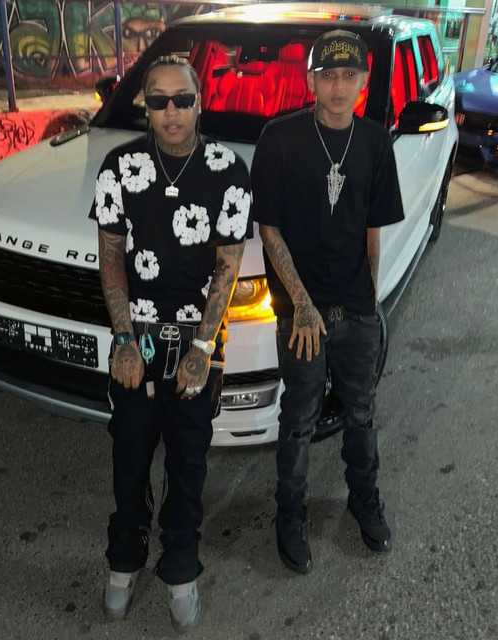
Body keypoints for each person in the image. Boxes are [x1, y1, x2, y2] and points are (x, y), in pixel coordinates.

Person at [92, 55, 251, 630]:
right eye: (158, 100)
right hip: (136, 335)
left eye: (182, 98)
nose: (171, 110)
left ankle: (181, 564)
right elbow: (111, 256)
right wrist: (123, 339)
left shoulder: (228, 170)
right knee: (129, 455)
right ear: (146, 106)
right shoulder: (120, 166)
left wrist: (203, 348)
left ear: (198, 101)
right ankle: (125, 555)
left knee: (188, 462)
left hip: (195, 339)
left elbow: (227, 266)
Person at [250, 30, 405, 574]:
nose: (338, 86)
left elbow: (372, 229)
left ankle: (364, 499)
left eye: (349, 75)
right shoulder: (280, 139)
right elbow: (268, 229)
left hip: (355, 307)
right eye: (328, 75)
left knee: (362, 414)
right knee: (299, 418)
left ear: (363, 81)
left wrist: (370, 302)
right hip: (301, 310)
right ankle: (289, 516)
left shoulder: (375, 142)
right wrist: (302, 303)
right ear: (310, 78)